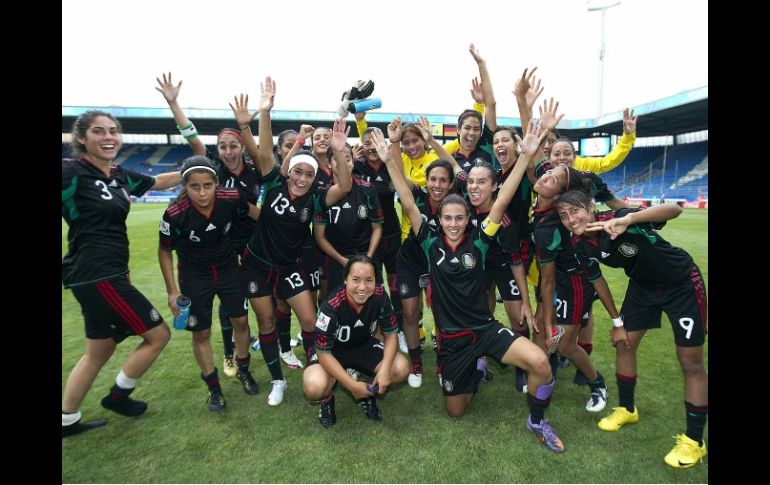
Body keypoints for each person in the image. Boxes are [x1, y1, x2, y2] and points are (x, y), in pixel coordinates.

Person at [373, 117, 567, 453]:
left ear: (467, 220)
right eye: (447, 218)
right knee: (456, 411)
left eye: (459, 218)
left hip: (485, 329)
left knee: (539, 362)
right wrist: (389, 158)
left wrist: (526, 155)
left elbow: (502, 199)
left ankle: (537, 420)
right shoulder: (429, 242)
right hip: (452, 341)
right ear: (439, 220)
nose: (453, 223)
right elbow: (407, 200)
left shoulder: (480, 239)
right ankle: (475, 373)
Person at [554, 191, 708, 469]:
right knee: (623, 343)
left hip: (681, 283)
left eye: (575, 211)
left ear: (591, 207)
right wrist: (617, 322)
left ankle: (694, 441)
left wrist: (630, 219)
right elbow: (597, 281)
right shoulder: (577, 244)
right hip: (642, 287)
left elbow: (674, 209)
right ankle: (627, 409)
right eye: (564, 215)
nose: (570, 219)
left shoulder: (620, 217)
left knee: (690, 363)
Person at [62, 110, 180, 437]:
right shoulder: (70, 171)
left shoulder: (118, 174)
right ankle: (117, 396)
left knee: (99, 349)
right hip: (96, 273)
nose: (108, 137)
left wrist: (191, 169)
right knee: (158, 334)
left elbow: (156, 182)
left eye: (113, 130)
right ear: (81, 138)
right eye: (99, 131)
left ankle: (66, 420)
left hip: (106, 273)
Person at [237, 78, 353, 406]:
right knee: (266, 322)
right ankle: (278, 381)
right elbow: (263, 152)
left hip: (288, 268)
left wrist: (339, 151)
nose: (302, 178)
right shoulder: (274, 183)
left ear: (314, 178)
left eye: (309, 175)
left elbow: (344, 187)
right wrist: (265, 111)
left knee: (310, 320)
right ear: (290, 172)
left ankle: (318, 368)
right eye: (298, 172)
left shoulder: (315, 198)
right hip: (257, 267)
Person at [158, 156, 261, 411]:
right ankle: (214, 389)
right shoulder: (174, 214)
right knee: (201, 332)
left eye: (207, 185)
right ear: (185, 186)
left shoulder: (231, 198)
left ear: (217, 183)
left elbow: (257, 215)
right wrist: (172, 292)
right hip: (194, 276)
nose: (202, 193)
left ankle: (243, 370)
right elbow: (164, 251)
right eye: (195, 187)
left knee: (241, 322)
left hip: (228, 270)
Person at [303, 255, 409, 427]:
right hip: (333, 353)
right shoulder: (331, 305)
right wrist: (351, 385)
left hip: (363, 347)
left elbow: (390, 335)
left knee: (400, 367)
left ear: (375, 280)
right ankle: (327, 400)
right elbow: (323, 353)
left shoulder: (380, 295)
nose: (362, 287)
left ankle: (368, 392)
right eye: (356, 280)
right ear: (345, 280)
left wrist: (384, 370)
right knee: (314, 386)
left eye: (369, 280)